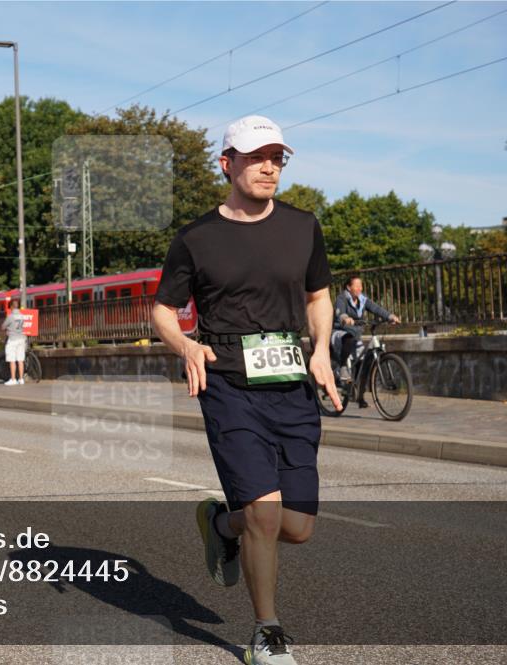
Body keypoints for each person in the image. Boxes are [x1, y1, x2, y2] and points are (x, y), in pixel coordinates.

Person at [151, 115, 340, 665]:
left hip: (292, 388)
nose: (269, 167)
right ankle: (267, 630)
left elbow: (318, 297)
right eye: (257, 157)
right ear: (227, 163)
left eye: (277, 157)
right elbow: (161, 310)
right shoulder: (196, 239)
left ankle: (218, 523)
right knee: (263, 510)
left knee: (296, 527)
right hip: (229, 385)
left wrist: (322, 349)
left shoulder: (303, 226)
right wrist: (186, 345)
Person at [332, 276, 400, 386]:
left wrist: (390, 316)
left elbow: (376, 308)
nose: (360, 288)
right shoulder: (342, 298)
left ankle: (357, 391)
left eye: (361, 286)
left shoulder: (362, 299)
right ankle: (343, 367)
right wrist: (345, 318)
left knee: (361, 359)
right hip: (339, 331)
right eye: (357, 286)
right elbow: (340, 313)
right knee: (349, 337)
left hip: (355, 333)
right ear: (349, 287)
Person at [1, 299, 27, 385]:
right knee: (20, 360)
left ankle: (13, 379)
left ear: (12, 306)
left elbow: (3, 327)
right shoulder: (22, 316)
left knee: (12, 360)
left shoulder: (10, 316)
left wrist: (7, 329)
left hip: (12, 339)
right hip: (21, 339)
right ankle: (21, 379)